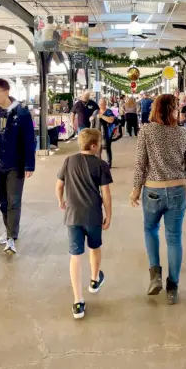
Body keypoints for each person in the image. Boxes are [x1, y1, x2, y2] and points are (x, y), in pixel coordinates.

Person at [130, 94, 186, 304]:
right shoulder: (184, 133)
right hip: (177, 190)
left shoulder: (146, 131)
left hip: (152, 191)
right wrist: (178, 178)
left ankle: (155, 275)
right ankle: (172, 287)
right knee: (174, 238)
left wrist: (135, 190)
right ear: (172, 110)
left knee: (150, 229)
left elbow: (140, 164)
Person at [55, 129, 113, 319]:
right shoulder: (101, 165)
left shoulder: (69, 161)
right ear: (94, 146)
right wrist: (109, 214)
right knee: (95, 247)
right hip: (93, 216)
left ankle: (78, 301)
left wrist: (60, 200)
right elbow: (105, 193)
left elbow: (59, 185)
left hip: (72, 217)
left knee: (75, 256)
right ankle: (95, 280)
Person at [0, 78, 36, 255]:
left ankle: (11, 237)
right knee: (2, 200)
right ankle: (9, 230)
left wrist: (29, 165)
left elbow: (29, 140)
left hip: (15, 164)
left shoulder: (22, 112)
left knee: (13, 200)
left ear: (6, 91)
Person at [90, 98, 115, 168]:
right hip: (97, 134)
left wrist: (102, 116)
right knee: (98, 149)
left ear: (105, 104)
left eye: (103, 104)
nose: (101, 105)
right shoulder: (96, 111)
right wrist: (91, 118)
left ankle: (109, 163)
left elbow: (111, 120)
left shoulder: (109, 111)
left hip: (107, 133)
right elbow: (91, 119)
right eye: (100, 104)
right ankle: (98, 163)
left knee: (107, 149)